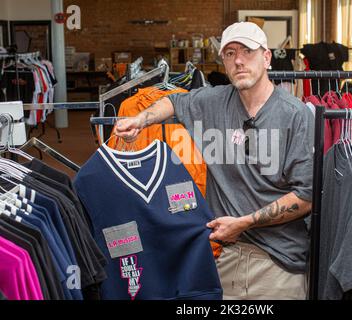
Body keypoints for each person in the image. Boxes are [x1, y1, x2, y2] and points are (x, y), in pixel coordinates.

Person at [114, 22, 314, 300]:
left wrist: (244, 222)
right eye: (229, 54)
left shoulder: (295, 115)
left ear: (266, 57)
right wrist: (140, 119)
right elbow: (173, 101)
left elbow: (306, 197)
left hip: (278, 262)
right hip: (224, 258)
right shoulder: (214, 101)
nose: (239, 60)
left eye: (247, 51)